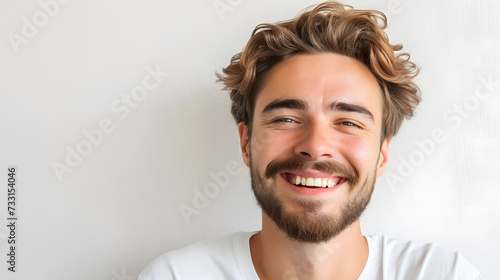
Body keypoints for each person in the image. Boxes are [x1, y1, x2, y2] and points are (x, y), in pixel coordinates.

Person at [139, 1, 482, 279]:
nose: (316, 146)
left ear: (381, 154)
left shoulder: (444, 274)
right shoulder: (176, 275)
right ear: (246, 143)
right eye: (286, 119)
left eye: (348, 122)